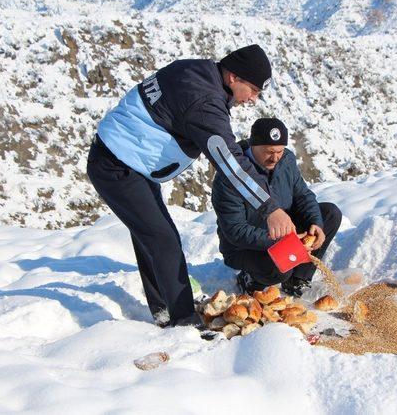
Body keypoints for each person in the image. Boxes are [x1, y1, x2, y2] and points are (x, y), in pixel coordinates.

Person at [86, 45, 297, 328]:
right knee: (164, 240)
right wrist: (270, 208)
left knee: (152, 236)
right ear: (233, 77)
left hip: (126, 158)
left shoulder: (197, 69)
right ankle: (182, 320)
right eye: (254, 90)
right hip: (118, 166)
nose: (254, 99)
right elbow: (230, 163)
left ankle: (165, 308)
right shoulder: (205, 103)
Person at [211, 117, 342, 297]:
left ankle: (298, 279)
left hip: (285, 232)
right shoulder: (230, 175)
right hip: (245, 246)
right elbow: (235, 231)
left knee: (330, 214)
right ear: (253, 145)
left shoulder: (286, 160)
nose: (275, 158)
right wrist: (283, 242)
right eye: (269, 151)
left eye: (279, 151)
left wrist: (316, 222)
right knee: (279, 267)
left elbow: (302, 195)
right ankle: (250, 280)